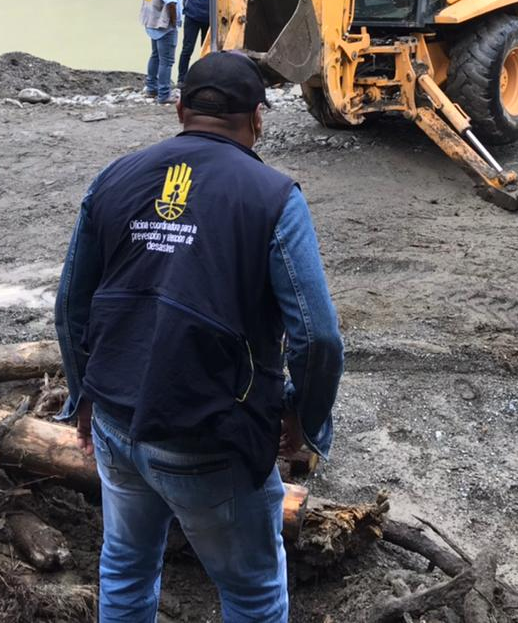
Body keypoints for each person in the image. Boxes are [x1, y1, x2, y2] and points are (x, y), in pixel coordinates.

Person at [54, 50, 344, 623]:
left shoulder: (114, 177)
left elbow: (70, 306)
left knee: (125, 568)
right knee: (253, 593)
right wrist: (302, 418)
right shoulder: (273, 198)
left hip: (115, 420)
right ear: (258, 118)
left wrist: (82, 394)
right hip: (207, 436)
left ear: (181, 108)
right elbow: (318, 338)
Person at [140, 0, 182, 104]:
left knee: (155, 55)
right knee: (167, 61)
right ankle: (164, 94)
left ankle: (151, 88)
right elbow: (171, 1)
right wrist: (172, 21)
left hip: (151, 22)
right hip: (164, 25)